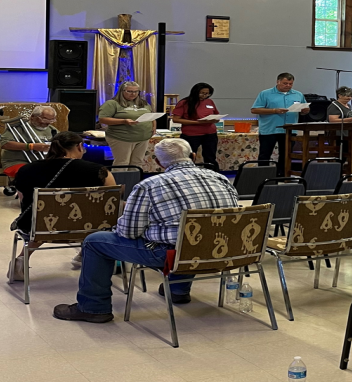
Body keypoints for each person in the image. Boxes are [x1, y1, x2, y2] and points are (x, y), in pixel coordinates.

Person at [53, 138, 240, 323]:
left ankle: (93, 308)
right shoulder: (221, 178)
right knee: (191, 236)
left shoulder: (149, 185)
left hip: (174, 255)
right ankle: (179, 290)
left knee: (94, 242)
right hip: (227, 251)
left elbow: (128, 232)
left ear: (158, 162)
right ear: (192, 156)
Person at [9, 131, 116, 282]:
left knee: (45, 216)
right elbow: (112, 198)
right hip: (90, 228)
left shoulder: (27, 170)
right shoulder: (99, 171)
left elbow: (23, 198)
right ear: (79, 146)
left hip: (40, 228)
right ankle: (88, 254)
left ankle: (20, 262)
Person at [251, 72, 309, 166]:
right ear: (278, 82)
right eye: (285, 83)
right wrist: (274, 110)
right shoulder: (265, 94)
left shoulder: (298, 94)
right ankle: (263, 176)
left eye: (290, 84)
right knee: (265, 154)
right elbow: (254, 110)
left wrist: (305, 111)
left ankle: (282, 175)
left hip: (289, 129)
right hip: (269, 129)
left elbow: (304, 110)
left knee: (286, 155)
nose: (288, 86)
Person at [98, 81, 155, 167]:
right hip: (122, 138)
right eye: (130, 91)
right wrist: (123, 121)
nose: (133, 94)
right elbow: (102, 119)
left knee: (137, 163)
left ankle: (134, 180)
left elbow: (151, 116)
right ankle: (119, 180)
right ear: (122, 91)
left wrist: (153, 127)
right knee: (122, 163)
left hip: (143, 138)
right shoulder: (112, 103)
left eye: (136, 91)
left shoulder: (144, 103)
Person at [172, 82, 220, 170]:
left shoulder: (209, 101)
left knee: (210, 157)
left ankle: (213, 175)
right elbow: (176, 119)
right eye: (202, 93)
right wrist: (197, 122)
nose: (204, 95)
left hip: (210, 133)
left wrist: (215, 119)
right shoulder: (184, 102)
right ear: (195, 92)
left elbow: (216, 115)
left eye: (207, 93)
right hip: (191, 135)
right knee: (189, 157)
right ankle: (189, 174)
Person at [0, 106, 59, 176]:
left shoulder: (53, 130)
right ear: (33, 117)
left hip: (42, 162)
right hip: (16, 162)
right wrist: (32, 146)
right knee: (33, 173)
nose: (47, 123)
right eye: (44, 120)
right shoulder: (18, 128)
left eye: (51, 120)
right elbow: (5, 144)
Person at [327, 87, 352, 165]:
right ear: (339, 95)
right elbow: (332, 120)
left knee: (345, 155)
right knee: (338, 155)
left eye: (350, 96)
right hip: (337, 135)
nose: (349, 98)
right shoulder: (334, 105)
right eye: (347, 96)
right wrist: (350, 120)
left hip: (347, 134)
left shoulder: (348, 105)